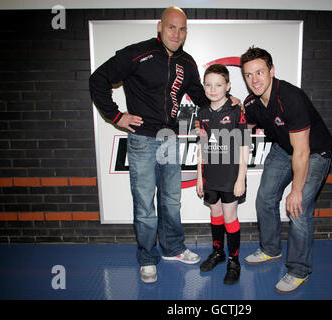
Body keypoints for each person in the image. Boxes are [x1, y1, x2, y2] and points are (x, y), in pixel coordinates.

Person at [89, 6, 239, 284]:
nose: (177, 34)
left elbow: (203, 98)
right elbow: (98, 79)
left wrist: (229, 103)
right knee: (145, 205)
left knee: (171, 200)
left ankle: (173, 248)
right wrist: (116, 116)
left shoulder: (188, 63)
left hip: (169, 138)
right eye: (172, 27)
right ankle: (148, 258)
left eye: (182, 29)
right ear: (160, 26)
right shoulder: (137, 53)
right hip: (141, 139)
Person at [240, 47, 332, 293]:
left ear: (271, 71)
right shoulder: (252, 102)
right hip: (284, 148)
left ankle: (298, 270)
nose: (255, 80)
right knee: (265, 198)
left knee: (298, 208)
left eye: (260, 72)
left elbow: (302, 152)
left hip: (314, 152)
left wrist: (296, 189)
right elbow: (244, 127)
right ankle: (271, 249)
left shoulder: (291, 98)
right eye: (249, 75)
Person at [195, 64, 249, 285]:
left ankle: (234, 261)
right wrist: (199, 176)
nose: (213, 89)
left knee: (229, 218)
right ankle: (218, 253)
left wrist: (241, 178)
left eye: (218, 84)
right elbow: (202, 145)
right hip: (210, 175)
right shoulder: (202, 112)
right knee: (215, 215)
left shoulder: (237, 112)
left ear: (228, 86)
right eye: (208, 85)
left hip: (230, 176)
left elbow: (245, 146)